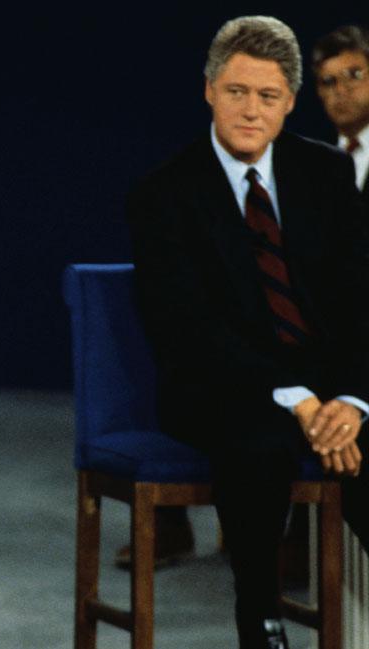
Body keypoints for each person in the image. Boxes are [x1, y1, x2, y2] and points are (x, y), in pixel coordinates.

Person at [126, 16, 369, 649]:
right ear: (209, 89)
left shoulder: (327, 175)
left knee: (366, 436)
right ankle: (260, 622)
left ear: (290, 101)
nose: (251, 111)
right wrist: (298, 397)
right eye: (237, 92)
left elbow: (357, 304)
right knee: (258, 444)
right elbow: (189, 332)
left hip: (325, 393)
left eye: (267, 97)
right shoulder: (163, 194)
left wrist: (351, 399)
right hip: (219, 388)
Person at [312, 25, 369, 198]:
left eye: (353, 75)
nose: (340, 90)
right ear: (319, 92)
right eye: (328, 82)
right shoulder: (310, 162)